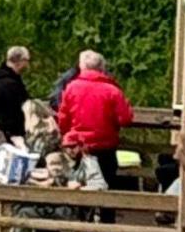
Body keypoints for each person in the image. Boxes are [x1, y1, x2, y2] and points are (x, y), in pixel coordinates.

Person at [57, 50, 136, 186]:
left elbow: (63, 119)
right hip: (104, 146)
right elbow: (126, 119)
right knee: (105, 185)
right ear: (102, 67)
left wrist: (66, 136)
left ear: (82, 66)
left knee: (75, 185)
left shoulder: (71, 88)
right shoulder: (113, 91)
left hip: (76, 146)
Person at [0, 46, 34, 141]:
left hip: (12, 131)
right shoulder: (9, 84)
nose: (27, 65)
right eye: (26, 61)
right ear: (20, 61)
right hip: (14, 134)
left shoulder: (8, 79)